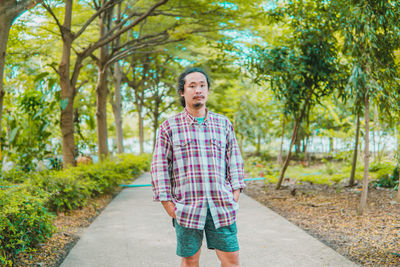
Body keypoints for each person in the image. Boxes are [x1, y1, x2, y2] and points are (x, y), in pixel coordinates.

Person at [151, 67, 245, 267]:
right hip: (187, 206)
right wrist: (169, 205)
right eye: (192, 86)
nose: (198, 90)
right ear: (182, 92)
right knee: (190, 260)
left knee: (232, 259)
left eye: (202, 85)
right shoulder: (169, 127)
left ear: (208, 90)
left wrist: (235, 194)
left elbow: (234, 159)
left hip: (221, 205)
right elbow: (160, 167)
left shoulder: (223, 124)